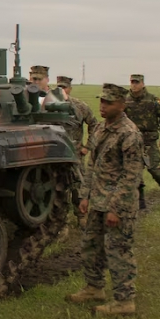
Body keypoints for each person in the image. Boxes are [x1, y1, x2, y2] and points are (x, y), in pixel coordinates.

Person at [66, 83, 143, 316]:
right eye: (102, 101)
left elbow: (132, 176)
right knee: (91, 247)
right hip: (97, 200)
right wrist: (85, 195)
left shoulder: (129, 134)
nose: (103, 106)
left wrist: (116, 209)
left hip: (117, 204)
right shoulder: (100, 128)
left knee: (118, 251)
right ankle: (94, 287)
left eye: (108, 102)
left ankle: (124, 301)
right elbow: (93, 165)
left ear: (122, 105)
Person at [125, 74, 160, 210]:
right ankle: (141, 202)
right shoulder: (125, 100)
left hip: (149, 141)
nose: (134, 85)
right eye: (132, 82)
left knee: (154, 169)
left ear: (143, 84)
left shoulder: (152, 99)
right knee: (135, 172)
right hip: (132, 141)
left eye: (137, 82)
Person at [56, 76, 98, 217]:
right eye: (59, 87)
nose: (62, 90)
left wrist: (88, 146)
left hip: (76, 154)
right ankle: (61, 219)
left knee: (78, 185)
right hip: (56, 154)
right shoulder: (49, 106)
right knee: (58, 185)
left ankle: (81, 215)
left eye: (64, 87)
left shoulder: (79, 106)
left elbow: (94, 124)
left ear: (70, 89)